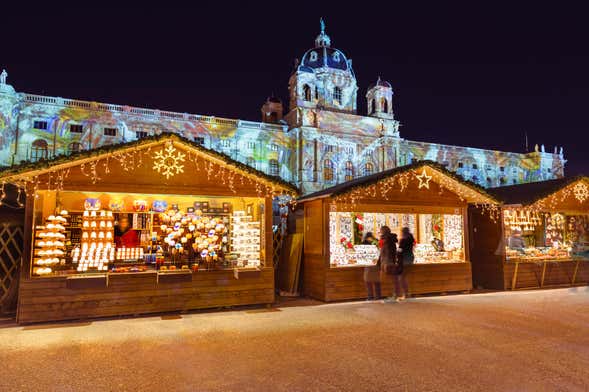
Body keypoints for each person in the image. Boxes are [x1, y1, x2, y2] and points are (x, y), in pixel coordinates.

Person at [377, 226, 398, 302]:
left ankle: (393, 296)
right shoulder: (388, 240)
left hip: (388, 263)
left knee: (390, 280)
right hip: (387, 262)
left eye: (381, 231)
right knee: (390, 280)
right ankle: (392, 295)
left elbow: (389, 253)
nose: (380, 233)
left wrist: (388, 262)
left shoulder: (388, 241)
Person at [394, 227, 414, 301]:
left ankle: (406, 293)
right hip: (410, 259)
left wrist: (396, 254)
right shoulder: (411, 239)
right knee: (403, 277)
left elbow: (400, 250)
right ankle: (406, 293)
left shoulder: (403, 240)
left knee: (401, 277)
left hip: (404, 260)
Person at [362, 232, 380, 300]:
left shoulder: (364, 243)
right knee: (375, 281)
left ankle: (370, 296)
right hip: (375, 263)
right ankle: (377, 296)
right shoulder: (376, 241)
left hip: (369, 263)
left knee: (369, 281)